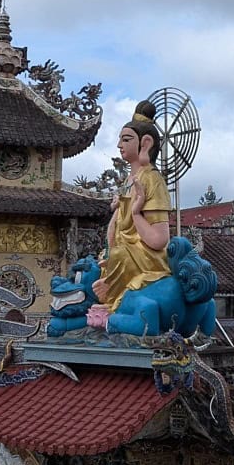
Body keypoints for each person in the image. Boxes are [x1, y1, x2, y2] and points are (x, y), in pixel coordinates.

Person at [92, 101, 172, 311]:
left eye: (126, 139)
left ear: (145, 144)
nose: (119, 145)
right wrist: (119, 209)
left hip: (145, 259)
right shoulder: (130, 180)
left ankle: (112, 301)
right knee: (103, 257)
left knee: (118, 255)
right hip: (123, 252)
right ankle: (108, 297)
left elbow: (159, 240)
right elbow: (116, 233)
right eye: (120, 139)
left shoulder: (152, 180)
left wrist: (135, 212)